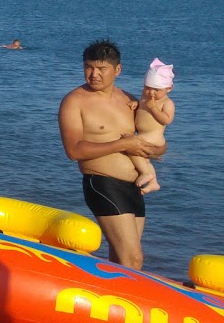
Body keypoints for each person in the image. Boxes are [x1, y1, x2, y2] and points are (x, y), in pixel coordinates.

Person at [58, 40, 165, 270]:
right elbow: (73, 150)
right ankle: (131, 303)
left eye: (101, 69)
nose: (94, 74)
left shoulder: (130, 100)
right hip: (102, 184)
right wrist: (124, 143)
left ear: (117, 70)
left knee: (122, 260)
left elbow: (152, 139)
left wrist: (155, 149)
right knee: (132, 259)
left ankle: (112, 300)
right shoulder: (74, 101)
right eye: (88, 67)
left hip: (133, 187)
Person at [128, 59, 176, 194]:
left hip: (153, 137)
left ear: (169, 88)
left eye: (156, 90)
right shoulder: (145, 96)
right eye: (147, 88)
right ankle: (154, 183)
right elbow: (142, 106)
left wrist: (154, 108)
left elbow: (167, 120)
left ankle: (145, 173)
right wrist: (136, 104)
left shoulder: (167, 103)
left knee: (133, 149)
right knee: (146, 161)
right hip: (143, 134)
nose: (151, 93)